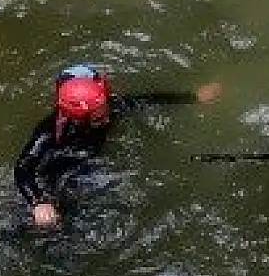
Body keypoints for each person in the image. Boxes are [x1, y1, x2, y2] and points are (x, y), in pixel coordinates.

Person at [14, 64, 222, 229]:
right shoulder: (49, 130)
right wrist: (38, 202)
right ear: (78, 119)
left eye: (104, 106)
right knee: (51, 224)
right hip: (59, 178)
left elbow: (147, 100)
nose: (106, 114)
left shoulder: (111, 106)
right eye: (98, 113)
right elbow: (23, 167)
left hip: (89, 166)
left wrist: (193, 98)